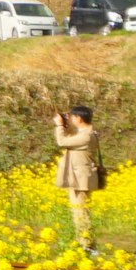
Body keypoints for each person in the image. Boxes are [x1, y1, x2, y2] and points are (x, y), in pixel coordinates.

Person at [52, 104, 104, 250]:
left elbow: (62, 141)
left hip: (81, 180)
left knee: (81, 212)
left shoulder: (86, 137)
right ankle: (83, 241)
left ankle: (87, 245)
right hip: (78, 178)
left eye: (73, 117)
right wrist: (66, 125)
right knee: (78, 211)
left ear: (79, 118)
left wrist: (59, 126)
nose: (72, 119)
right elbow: (70, 139)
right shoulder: (87, 133)